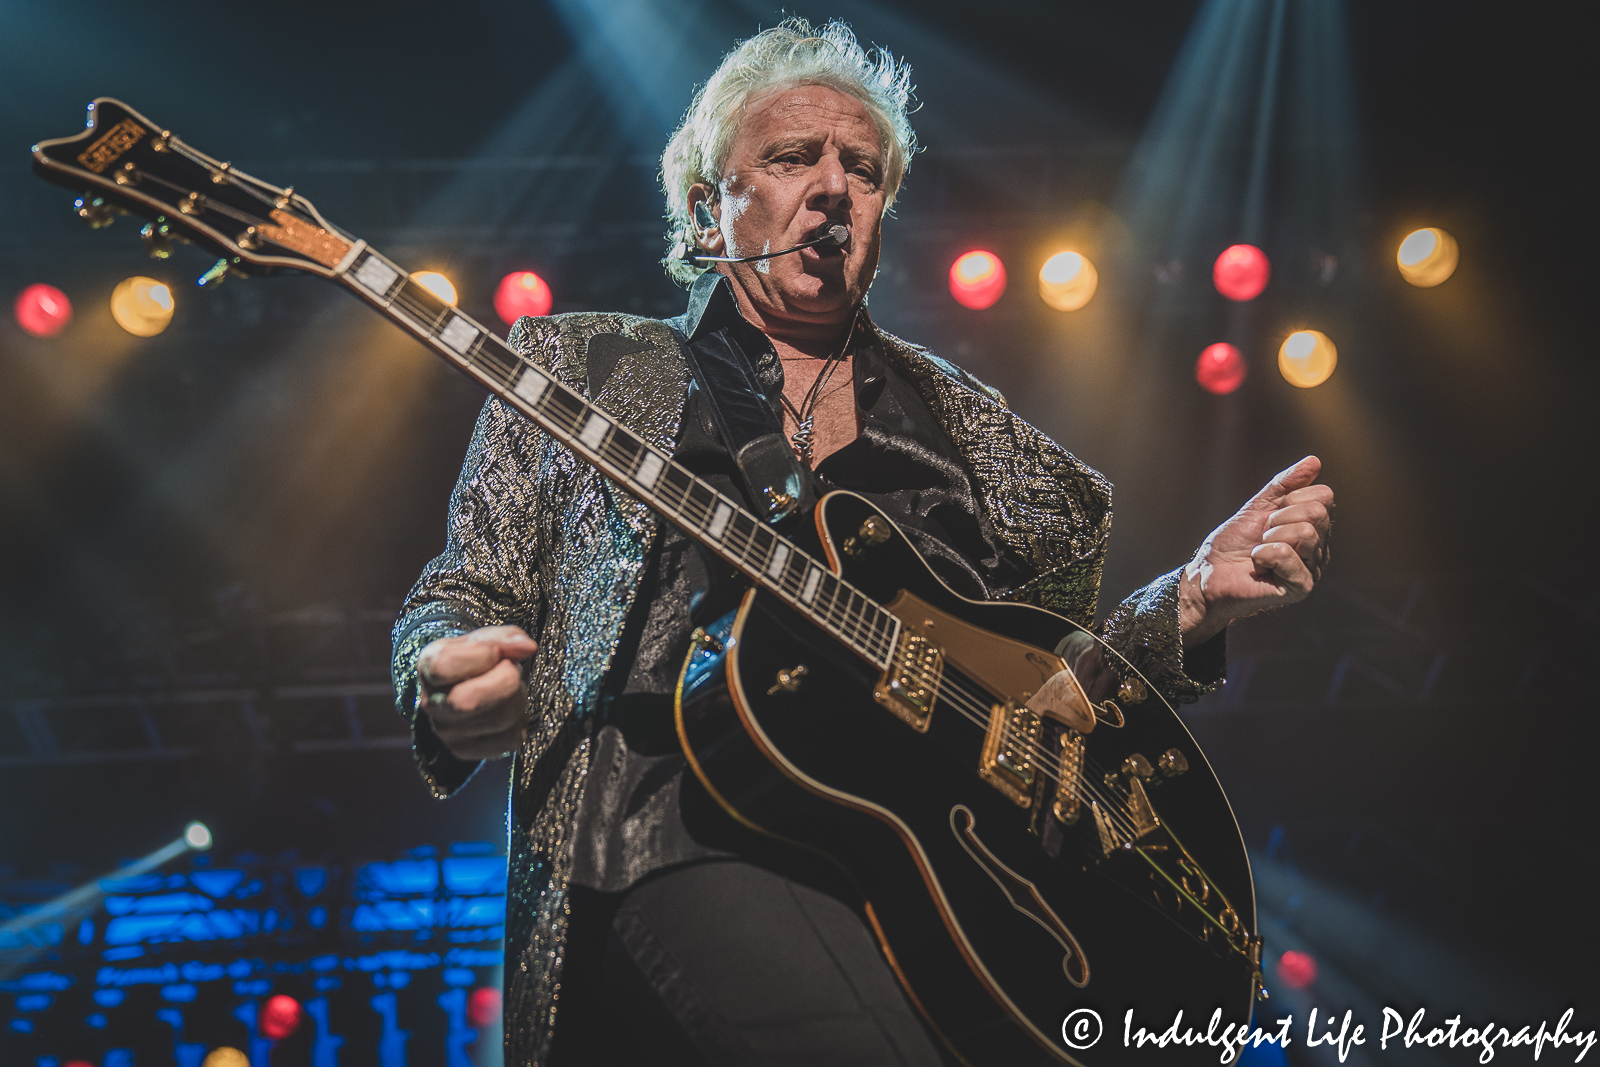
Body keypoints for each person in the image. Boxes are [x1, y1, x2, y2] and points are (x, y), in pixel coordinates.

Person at [390, 19, 1333, 1067]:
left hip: (926, 878)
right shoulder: (584, 368)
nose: (835, 186)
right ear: (708, 213)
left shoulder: (964, 426)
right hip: (667, 831)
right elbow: (459, 590)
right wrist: (440, 669)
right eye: (793, 158)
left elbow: (1052, 687)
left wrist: (1188, 602)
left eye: (864, 169)